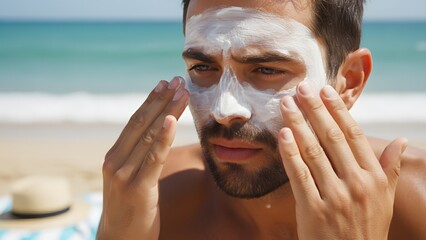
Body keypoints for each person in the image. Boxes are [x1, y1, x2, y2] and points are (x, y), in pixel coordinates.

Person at [97, 0, 426, 239]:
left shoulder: (418, 201)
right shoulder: (152, 196)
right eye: (202, 67)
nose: (224, 110)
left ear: (349, 81)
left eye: (267, 70)